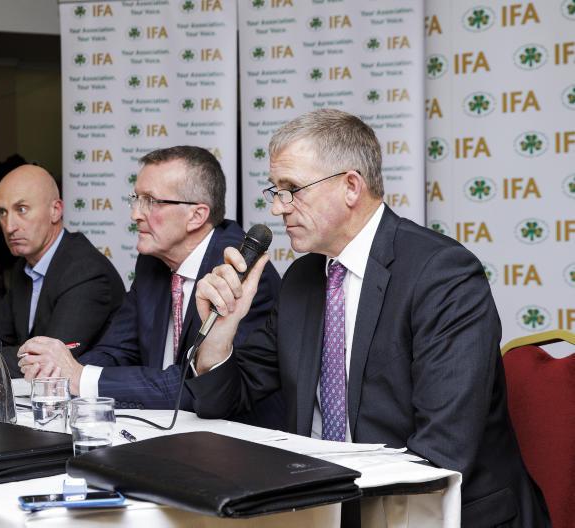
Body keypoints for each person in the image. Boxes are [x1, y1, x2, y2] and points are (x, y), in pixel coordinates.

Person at [187, 109, 549, 527]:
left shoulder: (442, 273)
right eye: (275, 190)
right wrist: (221, 332)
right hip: (324, 509)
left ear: (350, 186)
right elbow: (220, 402)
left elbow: (442, 450)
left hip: (434, 513)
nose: (276, 207)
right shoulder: (302, 278)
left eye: (291, 190)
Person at [17, 146, 285, 428]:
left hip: (236, 438)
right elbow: (116, 349)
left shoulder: (237, 272)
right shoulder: (152, 262)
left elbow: (196, 386)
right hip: (167, 431)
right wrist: (60, 371)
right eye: (136, 199)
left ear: (196, 215)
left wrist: (81, 377)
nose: (135, 214)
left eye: (151, 201)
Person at [0, 164, 125, 376]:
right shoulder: (24, 267)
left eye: (21, 209)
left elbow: (45, 359)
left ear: (55, 210)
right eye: (3, 212)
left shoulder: (86, 271)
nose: (9, 226)